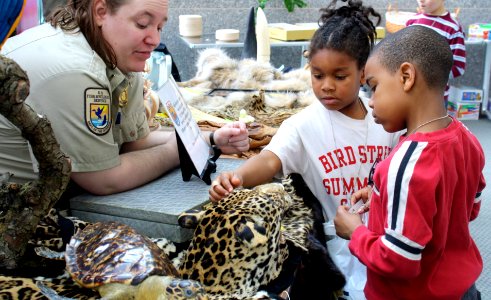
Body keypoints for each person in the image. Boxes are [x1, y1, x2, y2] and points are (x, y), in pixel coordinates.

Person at [209, 0, 401, 298]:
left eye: (340, 76)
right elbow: (270, 160)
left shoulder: (384, 120)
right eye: (317, 74)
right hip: (336, 252)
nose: (326, 85)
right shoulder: (303, 125)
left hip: (387, 243)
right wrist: (235, 179)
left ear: (363, 73)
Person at [0, 0, 249, 197]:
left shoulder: (115, 51)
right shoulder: (75, 70)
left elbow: (134, 142)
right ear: (100, 11)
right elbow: (103, 179)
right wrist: (177, 150)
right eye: (142, 24)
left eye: (160, 27)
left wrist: (208, 138)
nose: (155, 40)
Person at [334, 25, 485, 300]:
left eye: (373, 87)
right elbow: (468, 207)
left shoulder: (406, 163)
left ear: (406, 76)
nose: (370, 102)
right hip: (463, 288)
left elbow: (397, 259)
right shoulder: (466, 137)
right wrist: (382, 197)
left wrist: (355, 232)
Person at [406, 0, 466, 104]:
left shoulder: (453, 28)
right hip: (409, 94)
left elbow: (458, 67)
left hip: (435, 99)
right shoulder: (411, 21)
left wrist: (430, 74)